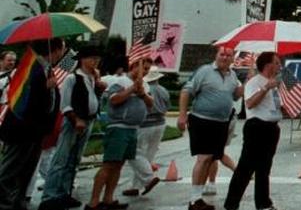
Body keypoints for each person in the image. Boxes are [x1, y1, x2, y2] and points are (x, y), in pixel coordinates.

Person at [0, 39, 64, 210]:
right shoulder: (31, 67)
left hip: (36, 131)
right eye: (62, 49)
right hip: (22, 129)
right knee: (10, 170)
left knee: (26, 170)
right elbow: (24, 99)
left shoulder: (45, 68)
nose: (62, 54)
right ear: (55, 49)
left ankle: (18, 202)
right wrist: (46, 87)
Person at [41, 44, 104, 210]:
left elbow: (95, 99)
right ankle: (50, 195)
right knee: (61, 159)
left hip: (88, 120)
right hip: (74, 122)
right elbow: (65, 104)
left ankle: (64, 192)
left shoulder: (91, 78)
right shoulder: (72, 78)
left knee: (73, 160)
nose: (95, 62)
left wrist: (99, 88)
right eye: (92, 58)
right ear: (83, 59)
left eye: (97, 59)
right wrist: (76, 119)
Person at [179, 46, 242, 210]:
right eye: (222, 54)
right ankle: (194, 200)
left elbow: (235, 95)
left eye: (229, 55)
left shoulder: (232, 75)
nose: (225, 57)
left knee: (211, 159)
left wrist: (245, 84)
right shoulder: (204, 71)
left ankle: (198, 198)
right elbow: (186, 91)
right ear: (216, 55)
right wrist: (182, 115)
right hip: (202, 120)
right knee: (203, 158)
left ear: (232, 58)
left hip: (221, 122)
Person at [87, 56, 154, 210]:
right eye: (144, 68)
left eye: (148, 70)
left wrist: (143, 94)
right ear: (134, 66)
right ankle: (94, 201)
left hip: (132, 129)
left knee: (118, 165)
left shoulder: (145, 85)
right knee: (108, 165)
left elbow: (151, 104)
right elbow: (114, 100)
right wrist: (131, 89)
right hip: (118, 128)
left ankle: (108, 198)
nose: (145, 72)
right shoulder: (121, 82)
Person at [223, 51, 283, 210]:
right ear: (267, 65)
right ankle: (231, 204)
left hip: (271, 127)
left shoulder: (275, 83)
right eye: (276, 63)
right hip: (257, 127)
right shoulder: (255, 82)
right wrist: (265, 88)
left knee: (264, 168)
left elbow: (277, 105)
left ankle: (263, 202)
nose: (279, 66)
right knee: (246, 167)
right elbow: (249, 103)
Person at [122, 66, 168, 197]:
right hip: (160, 123)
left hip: (145, 124)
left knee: (134, 152)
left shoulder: (144, 88)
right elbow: (167, 106)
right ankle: (136, 186)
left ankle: (148, 179)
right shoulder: (163, 90)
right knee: (148, 155)